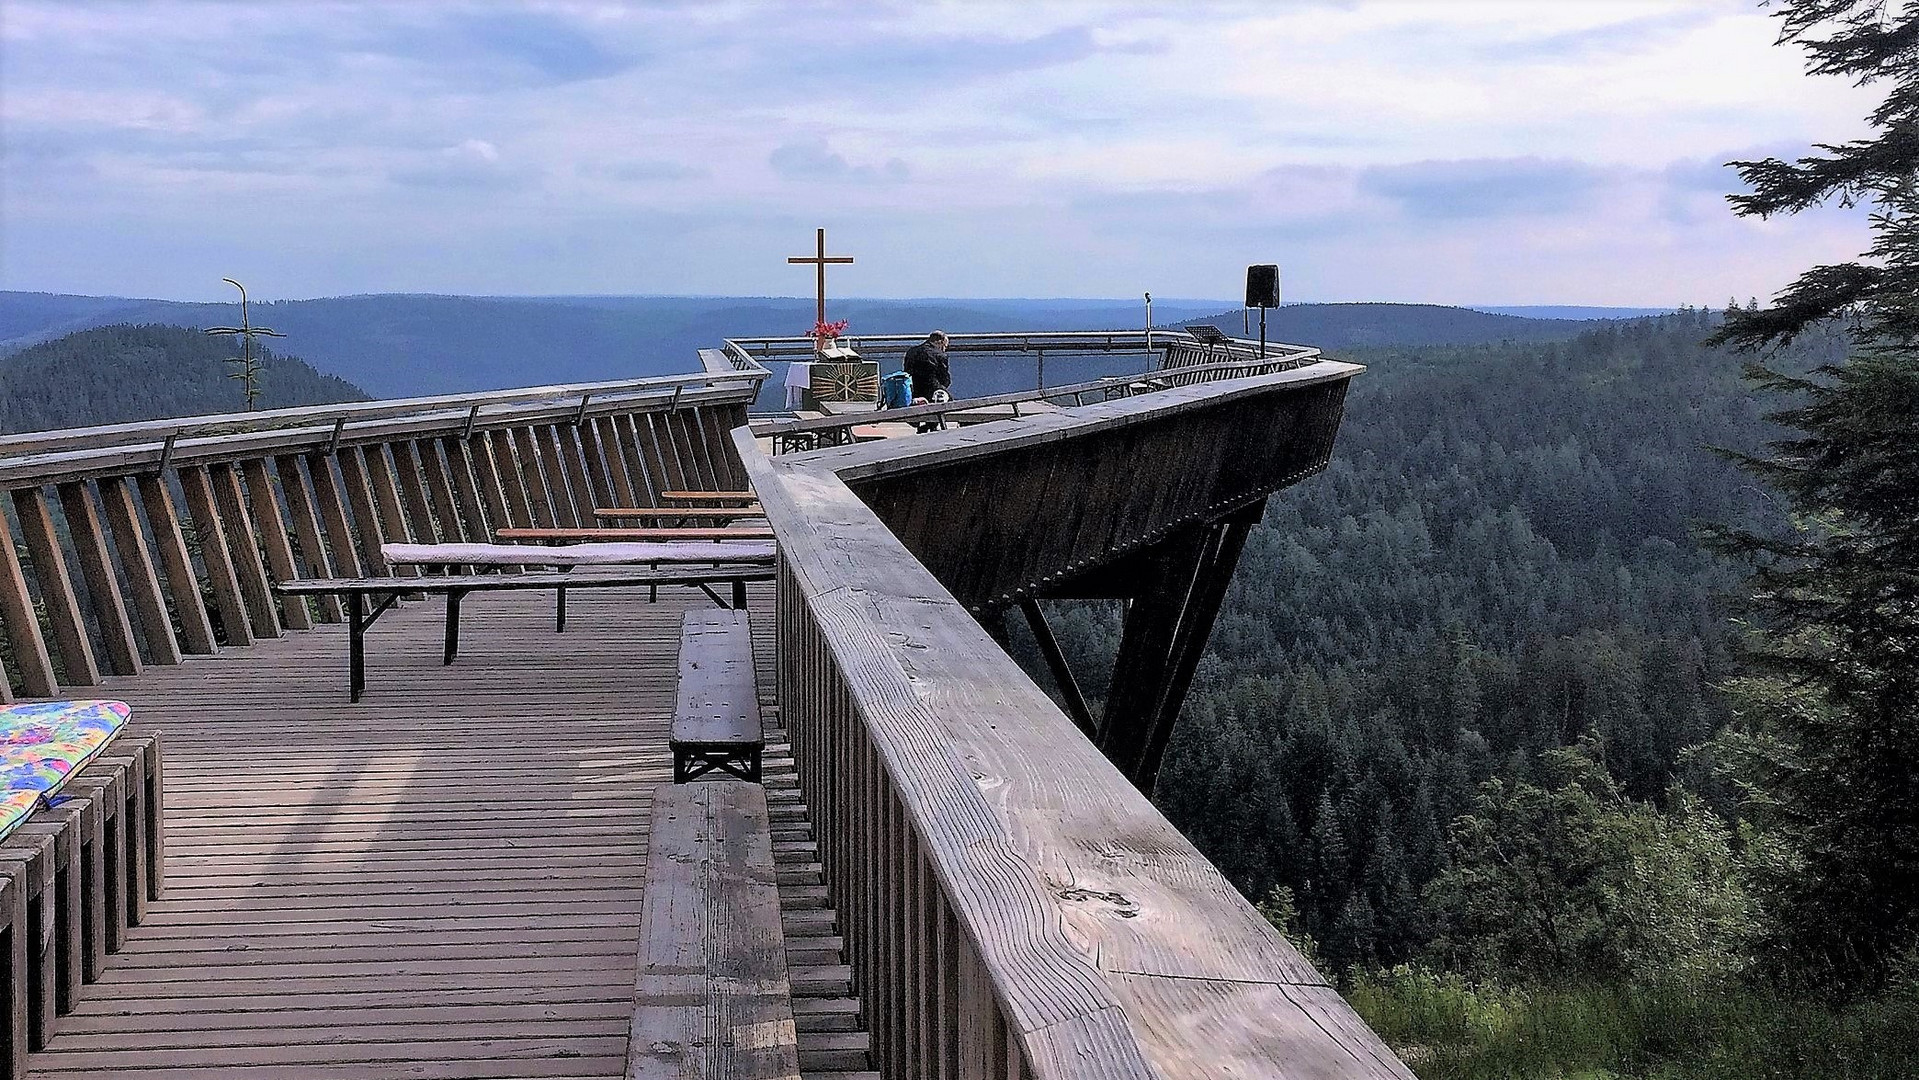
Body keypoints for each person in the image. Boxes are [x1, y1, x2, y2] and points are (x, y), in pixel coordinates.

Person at [902, 331, 951, 432]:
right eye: (945, 346)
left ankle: (926, 425)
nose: (944, 349)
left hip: (913, 390)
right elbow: (945, 379)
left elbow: (906, 371)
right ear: (940, 342)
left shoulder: (911, 351)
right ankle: (931, 425)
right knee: (946, 398)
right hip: (932, 390)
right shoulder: (940, 355)